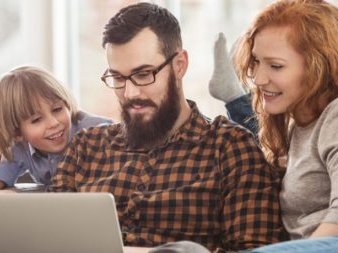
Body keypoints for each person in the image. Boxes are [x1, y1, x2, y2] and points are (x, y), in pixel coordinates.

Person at [48, 2, 287, 252]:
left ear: (179, 65)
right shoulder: (86, 147)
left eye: (143, 74)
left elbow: (255, 248)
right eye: (117, 77)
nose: (130, 93)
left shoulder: (229, 147)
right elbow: (47, 237)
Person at [161, 0, 338, 252]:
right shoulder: (297, 124)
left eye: (275, 66)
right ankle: (235, 97)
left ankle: (235, 97)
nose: (257, 78)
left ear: (320, 66)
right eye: (255, 62)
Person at [0, 66, 112, 192]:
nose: (53, 123)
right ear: (17, 132)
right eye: (37, 120)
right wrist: (18, 195)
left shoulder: (98, 132)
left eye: (57, 109)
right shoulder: (18, 147)